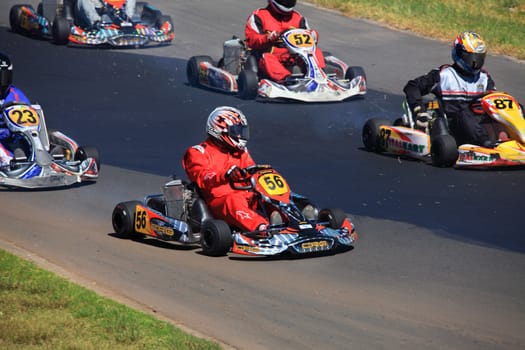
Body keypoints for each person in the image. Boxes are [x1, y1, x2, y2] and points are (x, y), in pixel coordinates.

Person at [182, 106, 270, 232]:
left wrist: (258, 173)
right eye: (236, 131)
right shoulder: (198, 152)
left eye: (241, 131)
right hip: (218, 201)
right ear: (219, 129)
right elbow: (202, 177)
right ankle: (262, 228)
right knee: (233, 201)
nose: (239, 135)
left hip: (246, 195)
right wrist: (225, 174)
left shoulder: (241, 152)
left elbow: (250, 170)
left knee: (271, 195)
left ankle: (296, 221)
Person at [403, 31, 498, 147]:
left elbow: (495, 100)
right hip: (453, 128)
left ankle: (514, 142)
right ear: (459, 54)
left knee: (515, 108)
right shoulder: (444, 75)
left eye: (479, 59)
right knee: (465, 115)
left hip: (480, 123)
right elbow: (412, 87)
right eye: (472, 59)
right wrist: (419, 109)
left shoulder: (484, 78)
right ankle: (487, 145)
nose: (475, 63)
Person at [245, 0, 326, 83]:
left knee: (316, 51)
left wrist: (313, 35)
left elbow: (308, 41)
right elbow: (252, 40)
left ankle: (320, 75)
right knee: (267, 58)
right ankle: (286, 80)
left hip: (294, 55)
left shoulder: (298, 18)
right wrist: (268, 38)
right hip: (271, 55)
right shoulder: (259, 16)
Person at [0, 52, 31, 168]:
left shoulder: (14, 94)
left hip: (12, 135)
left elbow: (28, 113)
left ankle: (48, 157)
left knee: (48, 133)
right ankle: (8, 162)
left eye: (2, 76)